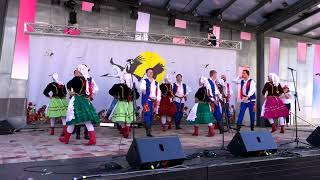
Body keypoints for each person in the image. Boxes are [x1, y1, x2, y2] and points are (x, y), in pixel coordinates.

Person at [59, 64, 100, 145]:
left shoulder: (76, 79)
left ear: (80, 71)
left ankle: (66, 138)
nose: (76, 71)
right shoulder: (86, 80)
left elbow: (68, 84)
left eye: (77, 70)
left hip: (76, 101)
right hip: (85, 100)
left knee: (72, 120)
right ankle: (92, 139)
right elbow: (91, 90)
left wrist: (70, 92)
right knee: (87, 121)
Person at [109, 73, 139, 138]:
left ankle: (127, 131)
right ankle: (124, 130)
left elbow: (137, 96)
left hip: (129, 104)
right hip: (121, 103)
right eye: (125, 79)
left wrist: (132, 97)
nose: (126, 80)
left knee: (128, 118)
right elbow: (111, 92)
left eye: (128, 79)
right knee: (121, 118)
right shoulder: (118, 86)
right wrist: (116, 96)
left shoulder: (132, 87)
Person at [140, 68, 161, 137]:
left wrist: (158, 101)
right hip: (147, 101)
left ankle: (148, 127)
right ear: (146, 74)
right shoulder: (144, 81)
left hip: (154, 102)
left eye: (151, 72)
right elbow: (143, 90)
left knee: (151, 115)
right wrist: (145, 91)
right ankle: (148, 131)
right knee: (147, 114)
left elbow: (158, 93)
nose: (151, 73)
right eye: (149, 72)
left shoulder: (156, 83)